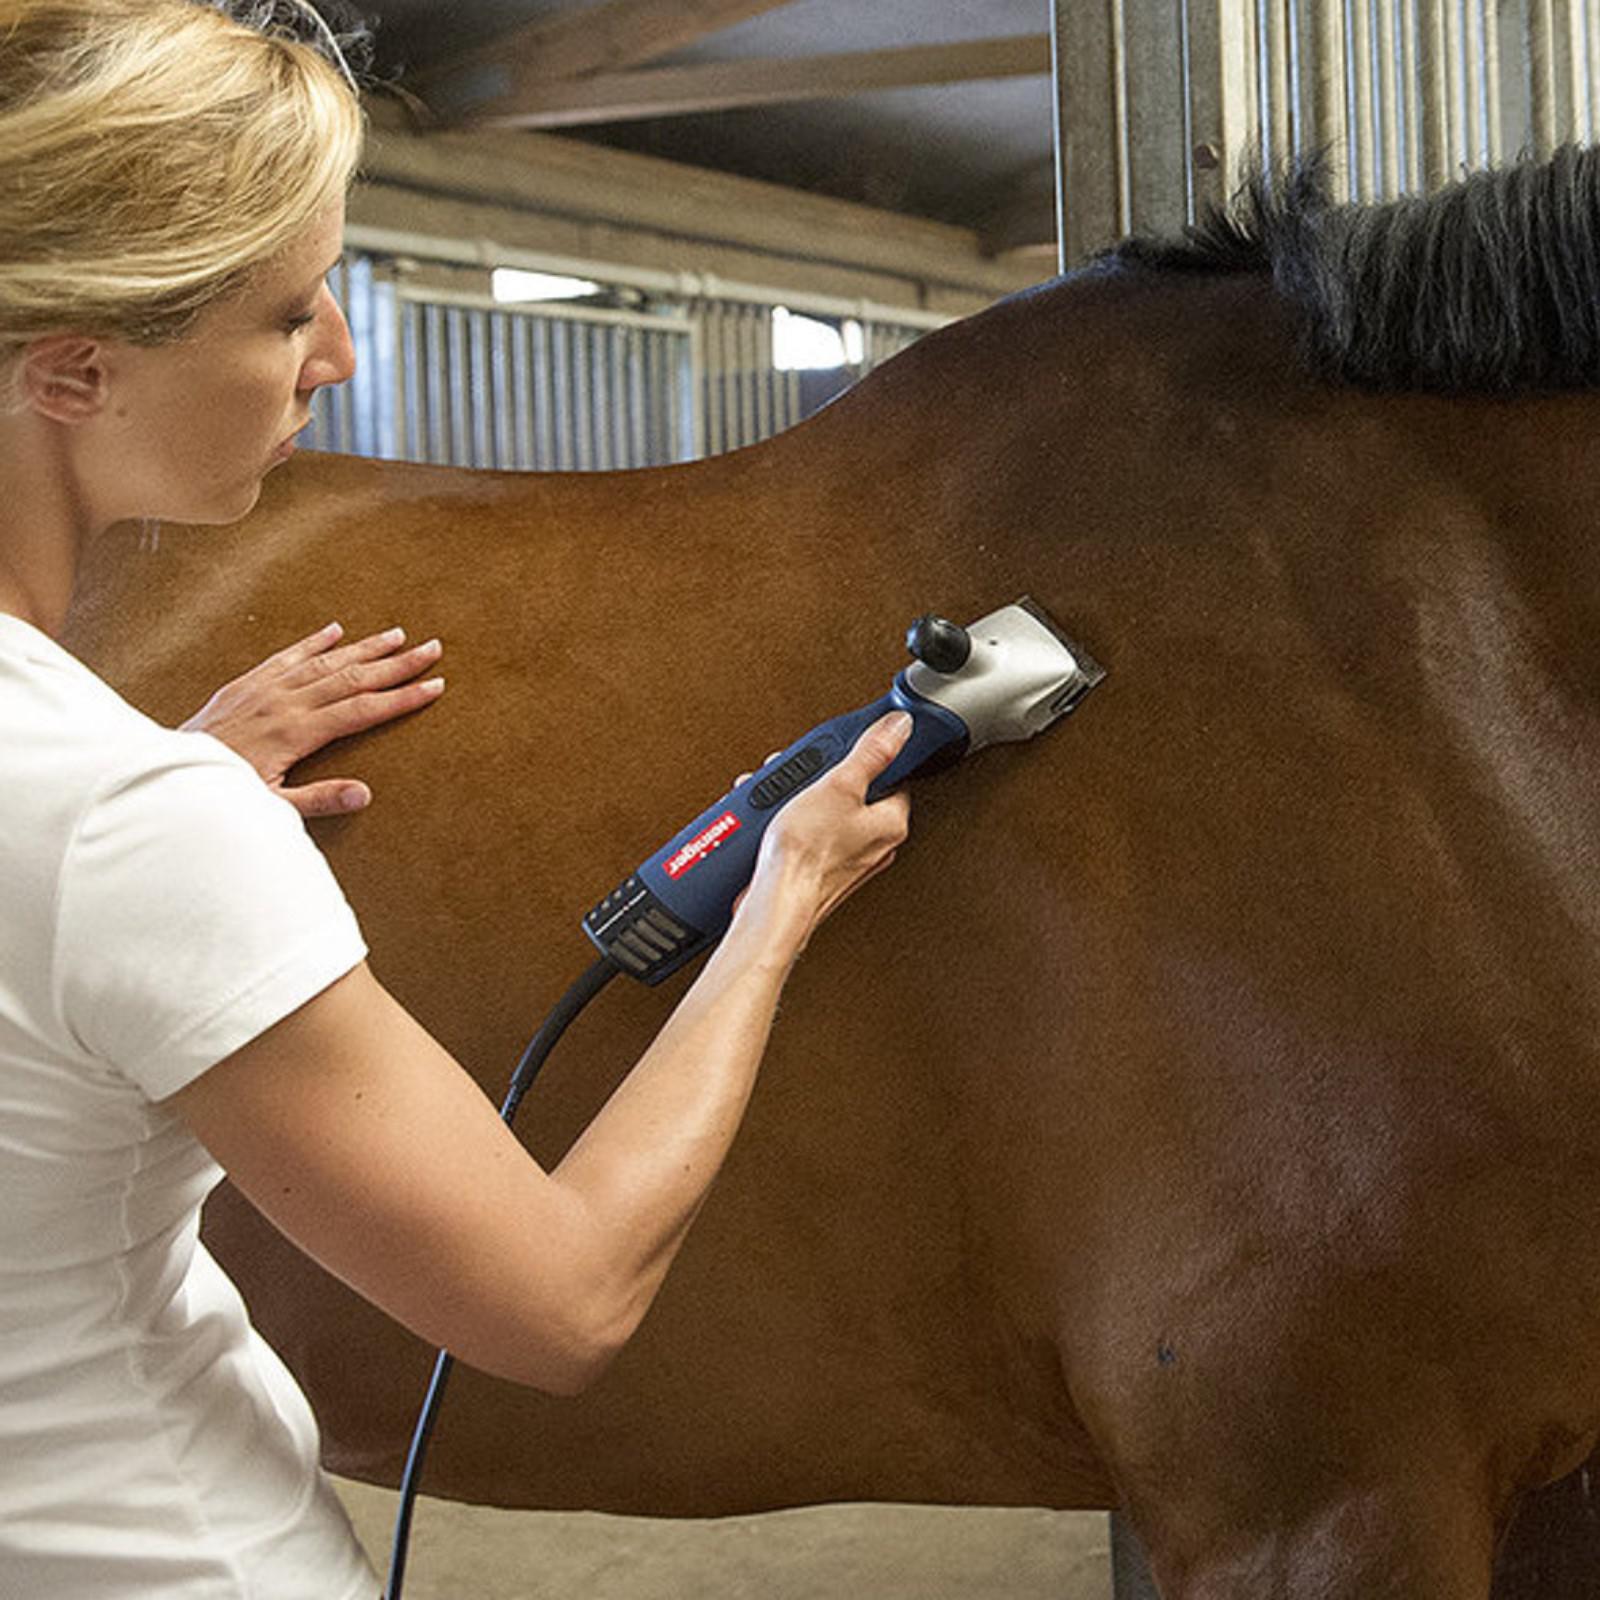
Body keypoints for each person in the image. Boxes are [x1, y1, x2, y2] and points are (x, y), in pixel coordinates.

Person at [0, 3, 913, 1596]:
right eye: (288, 314)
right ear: (74, 371)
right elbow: (560, 1306)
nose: (338, 359)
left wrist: (153, 798)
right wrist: (783, 894)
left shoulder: (103, 802)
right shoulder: (124, 820)